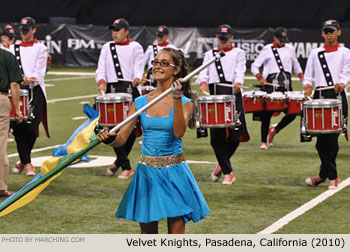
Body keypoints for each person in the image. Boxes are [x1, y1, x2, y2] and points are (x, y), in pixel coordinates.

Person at [97, 48, 209, 234]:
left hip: (174, 172)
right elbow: (122, 139)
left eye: (164, 63)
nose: (157, 66)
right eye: (155, 62)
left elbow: (178, 132)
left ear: (176, 70)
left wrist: (175, 99)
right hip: (147, 173)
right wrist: (109, 139)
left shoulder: (186, 102)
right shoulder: (141, 102)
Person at [196, 24, 249, 185]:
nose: (223, 41)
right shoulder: (209, 54)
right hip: (215, 95)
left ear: (231, 38)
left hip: (233, 95)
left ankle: (222, 164)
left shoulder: (238, 53)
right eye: (220, 38)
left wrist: (238, 82)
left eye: (226, 38)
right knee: (216, 137)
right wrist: (203, 82)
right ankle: (228, 172)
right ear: (217, 38)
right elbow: (202, 73)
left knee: (235, 138)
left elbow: (240, 70)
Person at [303, 19, 350, 190]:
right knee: (321, 141)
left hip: (337, 97)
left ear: (338, 32)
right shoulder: (315, 53)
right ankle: (329, 175)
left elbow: (347, 72)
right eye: (326, 31)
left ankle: (328, 176)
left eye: (332, 31)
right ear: (323, 34)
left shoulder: (345, 52)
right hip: (319, 97)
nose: (329, 34)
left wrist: (342, 83)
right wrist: (307, 86)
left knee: (332, 139)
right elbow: (308, 75)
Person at [95, 18, 144, 179]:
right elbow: (101, 68)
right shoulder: (107, 47)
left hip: (130, 91)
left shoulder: (135, 47)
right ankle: (126, 166)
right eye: (113, 30)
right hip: (111, 92)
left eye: (118, 30)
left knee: (129, 131)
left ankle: (119, 163)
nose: (115, 33)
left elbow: (139, 66)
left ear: (126, 31)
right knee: (111, 129)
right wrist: (101, 81)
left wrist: (137, 77)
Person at [251, 27, 304, 149]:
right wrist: (260, 78)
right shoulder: (267, 49)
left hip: (286, 84)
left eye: (284, 39)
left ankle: (275, 129)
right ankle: (264, 141)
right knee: (267, 114)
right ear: (275, 38)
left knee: (293, 112)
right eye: (281, 39)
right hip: (270, 85)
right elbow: (254, 66)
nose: (283, 42)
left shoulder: (290, 48)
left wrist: (302, 78)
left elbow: (296, 64)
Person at [10, 17, 50, 176]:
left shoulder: (41, 48)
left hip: (35, 89)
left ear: (34, 30)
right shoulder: (13, 48)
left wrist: (30, 78)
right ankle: (27, 163)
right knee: (18, 126)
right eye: (22, 30)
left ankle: (23, 159)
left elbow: (40, 69)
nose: (24, 32)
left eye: (27, 29)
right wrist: (19, 79)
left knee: (32, 126)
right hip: (17, 90)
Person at [0, 47, 23, 197]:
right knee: (1, 144)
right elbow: (14, 84)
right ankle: (1, 186)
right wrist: (17, 109)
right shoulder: (7, 56)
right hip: (1, 100)